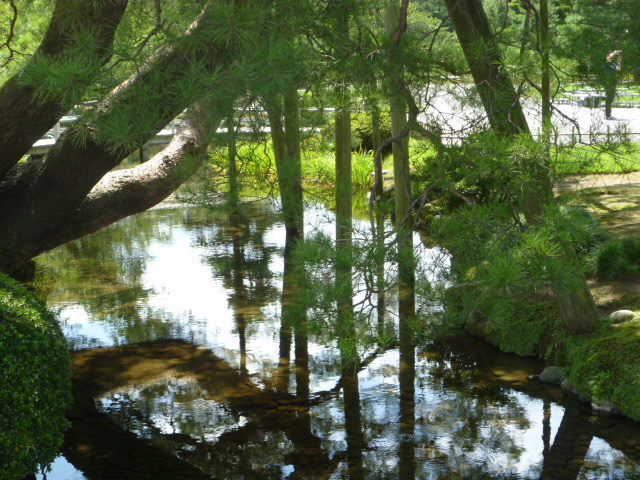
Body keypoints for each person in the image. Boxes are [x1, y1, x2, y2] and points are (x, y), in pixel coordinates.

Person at [602, 50, 622, 119]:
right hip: (608, 84)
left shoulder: (613, 64)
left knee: (611, 99)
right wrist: (615, 52)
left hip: (613, 84)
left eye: (611, 57)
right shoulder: (606, 64)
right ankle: (607, 115)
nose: (611, 58)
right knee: (608, 99)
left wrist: (619, 62)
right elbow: (609, 57)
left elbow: (618, 69)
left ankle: (608, 115)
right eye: (609, 57)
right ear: (607, 57)